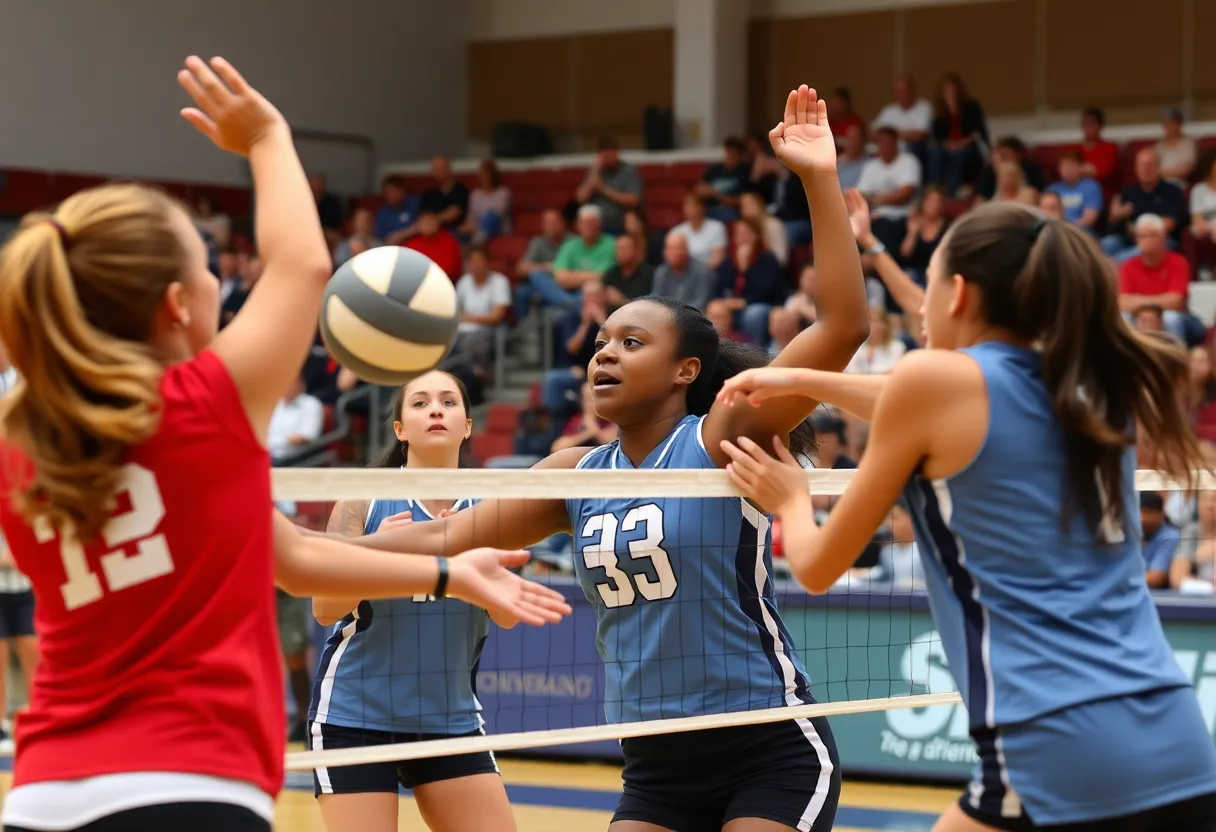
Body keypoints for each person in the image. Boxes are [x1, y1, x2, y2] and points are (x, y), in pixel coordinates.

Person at [0, 57, 569, 832]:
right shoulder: (201, 405)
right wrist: (266, 135)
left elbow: (294, 562)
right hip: (183, 783)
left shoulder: (21, 443)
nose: (217, 286)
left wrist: (446, 573)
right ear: (177, 305)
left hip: (42, 790)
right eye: (205, 269)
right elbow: (303, 264)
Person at [338, 85, 870, 832]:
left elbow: (844, 325)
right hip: (654, 765)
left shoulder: (719, 437)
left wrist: (818, 176)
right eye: (599, 343)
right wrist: (313, 554)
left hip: (767, 747)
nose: (603, 356)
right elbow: (442, 536)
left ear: (687, 371)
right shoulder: (574, 473)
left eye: (630, 343)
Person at [714, 201, 1216, 831]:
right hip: (1179, 738)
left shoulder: (932, 381)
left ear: (957, 293)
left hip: (1056, 742)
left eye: (930, 280)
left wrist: (790, 494)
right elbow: (919, 398)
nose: (918, 305)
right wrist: (804, 379)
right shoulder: (1092, 383)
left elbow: (814, 568)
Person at [308, 371, 517, 832]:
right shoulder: (364, 500)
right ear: (400, 429)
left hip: (449, 718)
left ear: (467, 425)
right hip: (355, 713)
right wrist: (380, 553)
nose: (436, 409)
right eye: (420, 403)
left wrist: (471, 568)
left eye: (448, 401)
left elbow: (506, 615)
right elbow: (324, 607)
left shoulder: (494, 507)